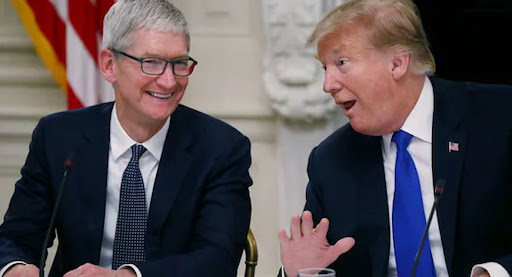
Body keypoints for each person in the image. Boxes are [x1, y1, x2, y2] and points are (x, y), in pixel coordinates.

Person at [0, 1, 252, 276]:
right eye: (151, 63)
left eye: (179, 63)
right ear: (109, 65)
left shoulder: (221, 148)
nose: (169, 81)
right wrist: (17, 267)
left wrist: (126, 276)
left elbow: (217, 259)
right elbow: (17, 236)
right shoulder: (58, 137)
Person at [277, 0, 512, 276]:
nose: (328, 85)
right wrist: (297, 272)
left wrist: (495, 272)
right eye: (324, 68)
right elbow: (318, 262)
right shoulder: (331, 161)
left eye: (342, 63)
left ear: (398, 63)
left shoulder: (499, 119)